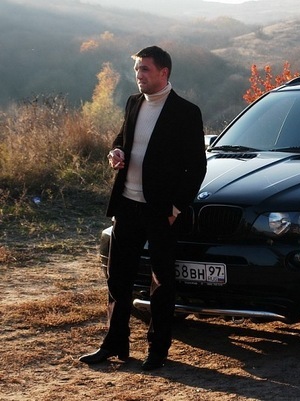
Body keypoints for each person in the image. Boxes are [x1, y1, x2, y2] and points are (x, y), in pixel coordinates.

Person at [79, 46, 207, 371]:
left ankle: (158, 350)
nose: (139, 75)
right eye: (137, 69)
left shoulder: (186, 112)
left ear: (164, 72)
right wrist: (116, 152)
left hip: (161, 211)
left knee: (161, 282)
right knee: (117, 279)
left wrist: (176, 208)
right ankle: (114, 344)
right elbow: (121, 138)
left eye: (145, 69)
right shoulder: (133, 102)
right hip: (127, 205)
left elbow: (196, 167)